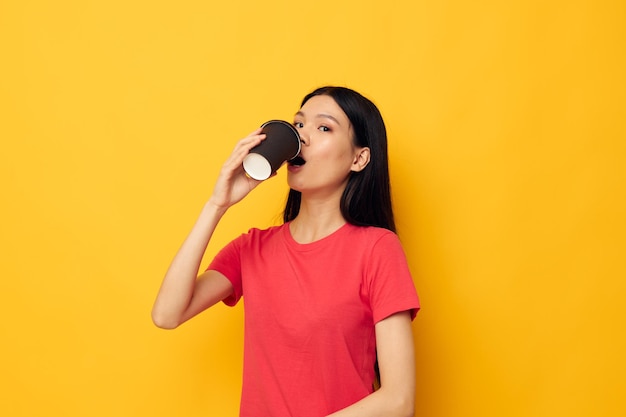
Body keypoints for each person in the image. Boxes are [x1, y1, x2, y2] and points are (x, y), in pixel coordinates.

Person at [152, 86, 420, 417]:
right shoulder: (253, 248)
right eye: (299, 124)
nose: (302, 137)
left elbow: (398, 401)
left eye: (324, 127)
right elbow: (167, 314)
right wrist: (217, 204)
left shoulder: (376, 249)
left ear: (359, 158)